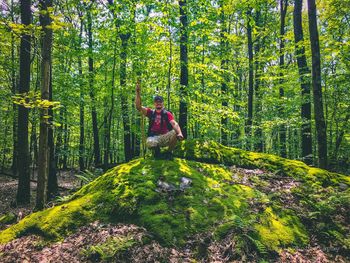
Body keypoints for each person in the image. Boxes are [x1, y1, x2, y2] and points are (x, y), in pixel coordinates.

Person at [135, 80, 184, 158]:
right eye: (156, 102)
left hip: (165, 136)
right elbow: (138, 107)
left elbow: (174, 123)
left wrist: (180, 133)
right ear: (154, 103)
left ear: (162, 103)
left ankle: (169, 153)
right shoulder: (151, 112)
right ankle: (157, 153)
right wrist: (137, 93)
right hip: (154, 137)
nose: (158, 103)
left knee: (175, 132)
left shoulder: (167, 114)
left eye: (160, 102)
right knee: (150, 143)